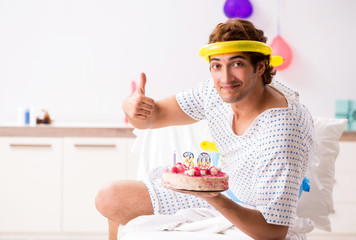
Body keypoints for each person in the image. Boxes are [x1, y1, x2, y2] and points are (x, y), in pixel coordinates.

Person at [95, 19, 315, 240]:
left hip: (253, 213)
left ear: (259, 67)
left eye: (237, 64)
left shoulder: (282, 131)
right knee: (110, 197)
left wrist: (212, 196)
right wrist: (133, 109)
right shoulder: (213, 92)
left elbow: (273, 232)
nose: (225, 78)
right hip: (223, 192)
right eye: (217, 65)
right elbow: (153, 118)